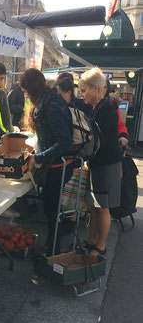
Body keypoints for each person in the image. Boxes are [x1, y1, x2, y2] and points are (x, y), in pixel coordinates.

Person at [20, 68, 75, 256]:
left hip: (57, 166)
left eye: (26, 91)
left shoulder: (50, 106)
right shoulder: (49, 99)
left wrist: (39, 157)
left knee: (52, 211)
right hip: (54, 164)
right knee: (51, 210)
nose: (25, 95)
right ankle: (51, 249)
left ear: (32, 89)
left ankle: (52, 254)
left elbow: (64, 141)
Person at [78, 67, 122, 256]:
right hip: (99, 163)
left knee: (103, 207)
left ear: (95, 88)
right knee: (95, 205)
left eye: (83, 90)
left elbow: (97, 141)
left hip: (106, 164)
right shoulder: (98, 108)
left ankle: (101, 246)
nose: (81, 95)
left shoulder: (105, 109)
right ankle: (92, 240)